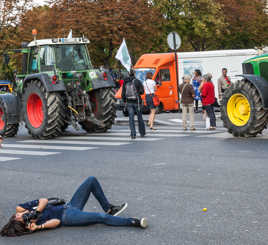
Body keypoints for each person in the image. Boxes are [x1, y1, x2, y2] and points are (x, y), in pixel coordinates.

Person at [1, 176, 148, 237]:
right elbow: (57, 222)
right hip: (67, 216)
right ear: (22, 224)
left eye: (17, 216)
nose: (19, 215)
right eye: (19, 219)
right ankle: (132, 222)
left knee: (91, 180)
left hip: (70, 205)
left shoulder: (21, 209)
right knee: (100, 218)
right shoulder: (33, 225)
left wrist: (34, 212)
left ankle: (108, 207)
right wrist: (39, 226)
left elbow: (43, 200)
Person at [122, 69, 146, 139]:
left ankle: (133, 134)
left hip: (129, 102)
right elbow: (142, 92)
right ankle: (142, 133)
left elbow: (123, 94)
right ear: (134, 73)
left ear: (128, 74)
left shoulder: (125, 82)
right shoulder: (137, 81)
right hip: (137, 102)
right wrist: (138, 93)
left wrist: (125, 101)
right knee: (139, 117)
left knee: (131, 118)